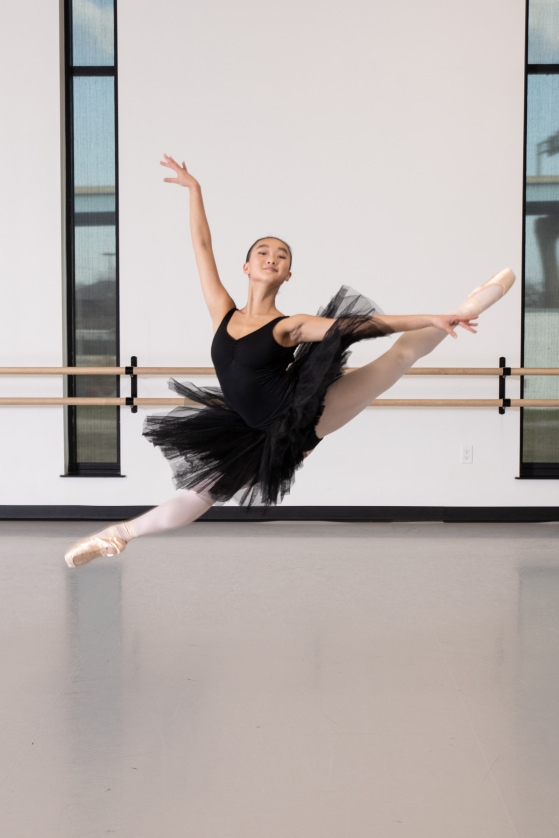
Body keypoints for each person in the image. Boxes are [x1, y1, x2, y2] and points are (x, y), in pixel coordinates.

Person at [64, 154, 515, 567]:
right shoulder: (223, 310)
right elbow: (202, 248)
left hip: (301, 415)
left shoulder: (289, 325)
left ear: (287, 273)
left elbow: (360, 326)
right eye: (263, 251)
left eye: (281, 256)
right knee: (199, 494)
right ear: (246, 266)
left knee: (396, 357)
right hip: (247, 427)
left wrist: (429, 316)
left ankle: (466, 308)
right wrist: (194, 189)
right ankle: (118, 535)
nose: (271, 258)